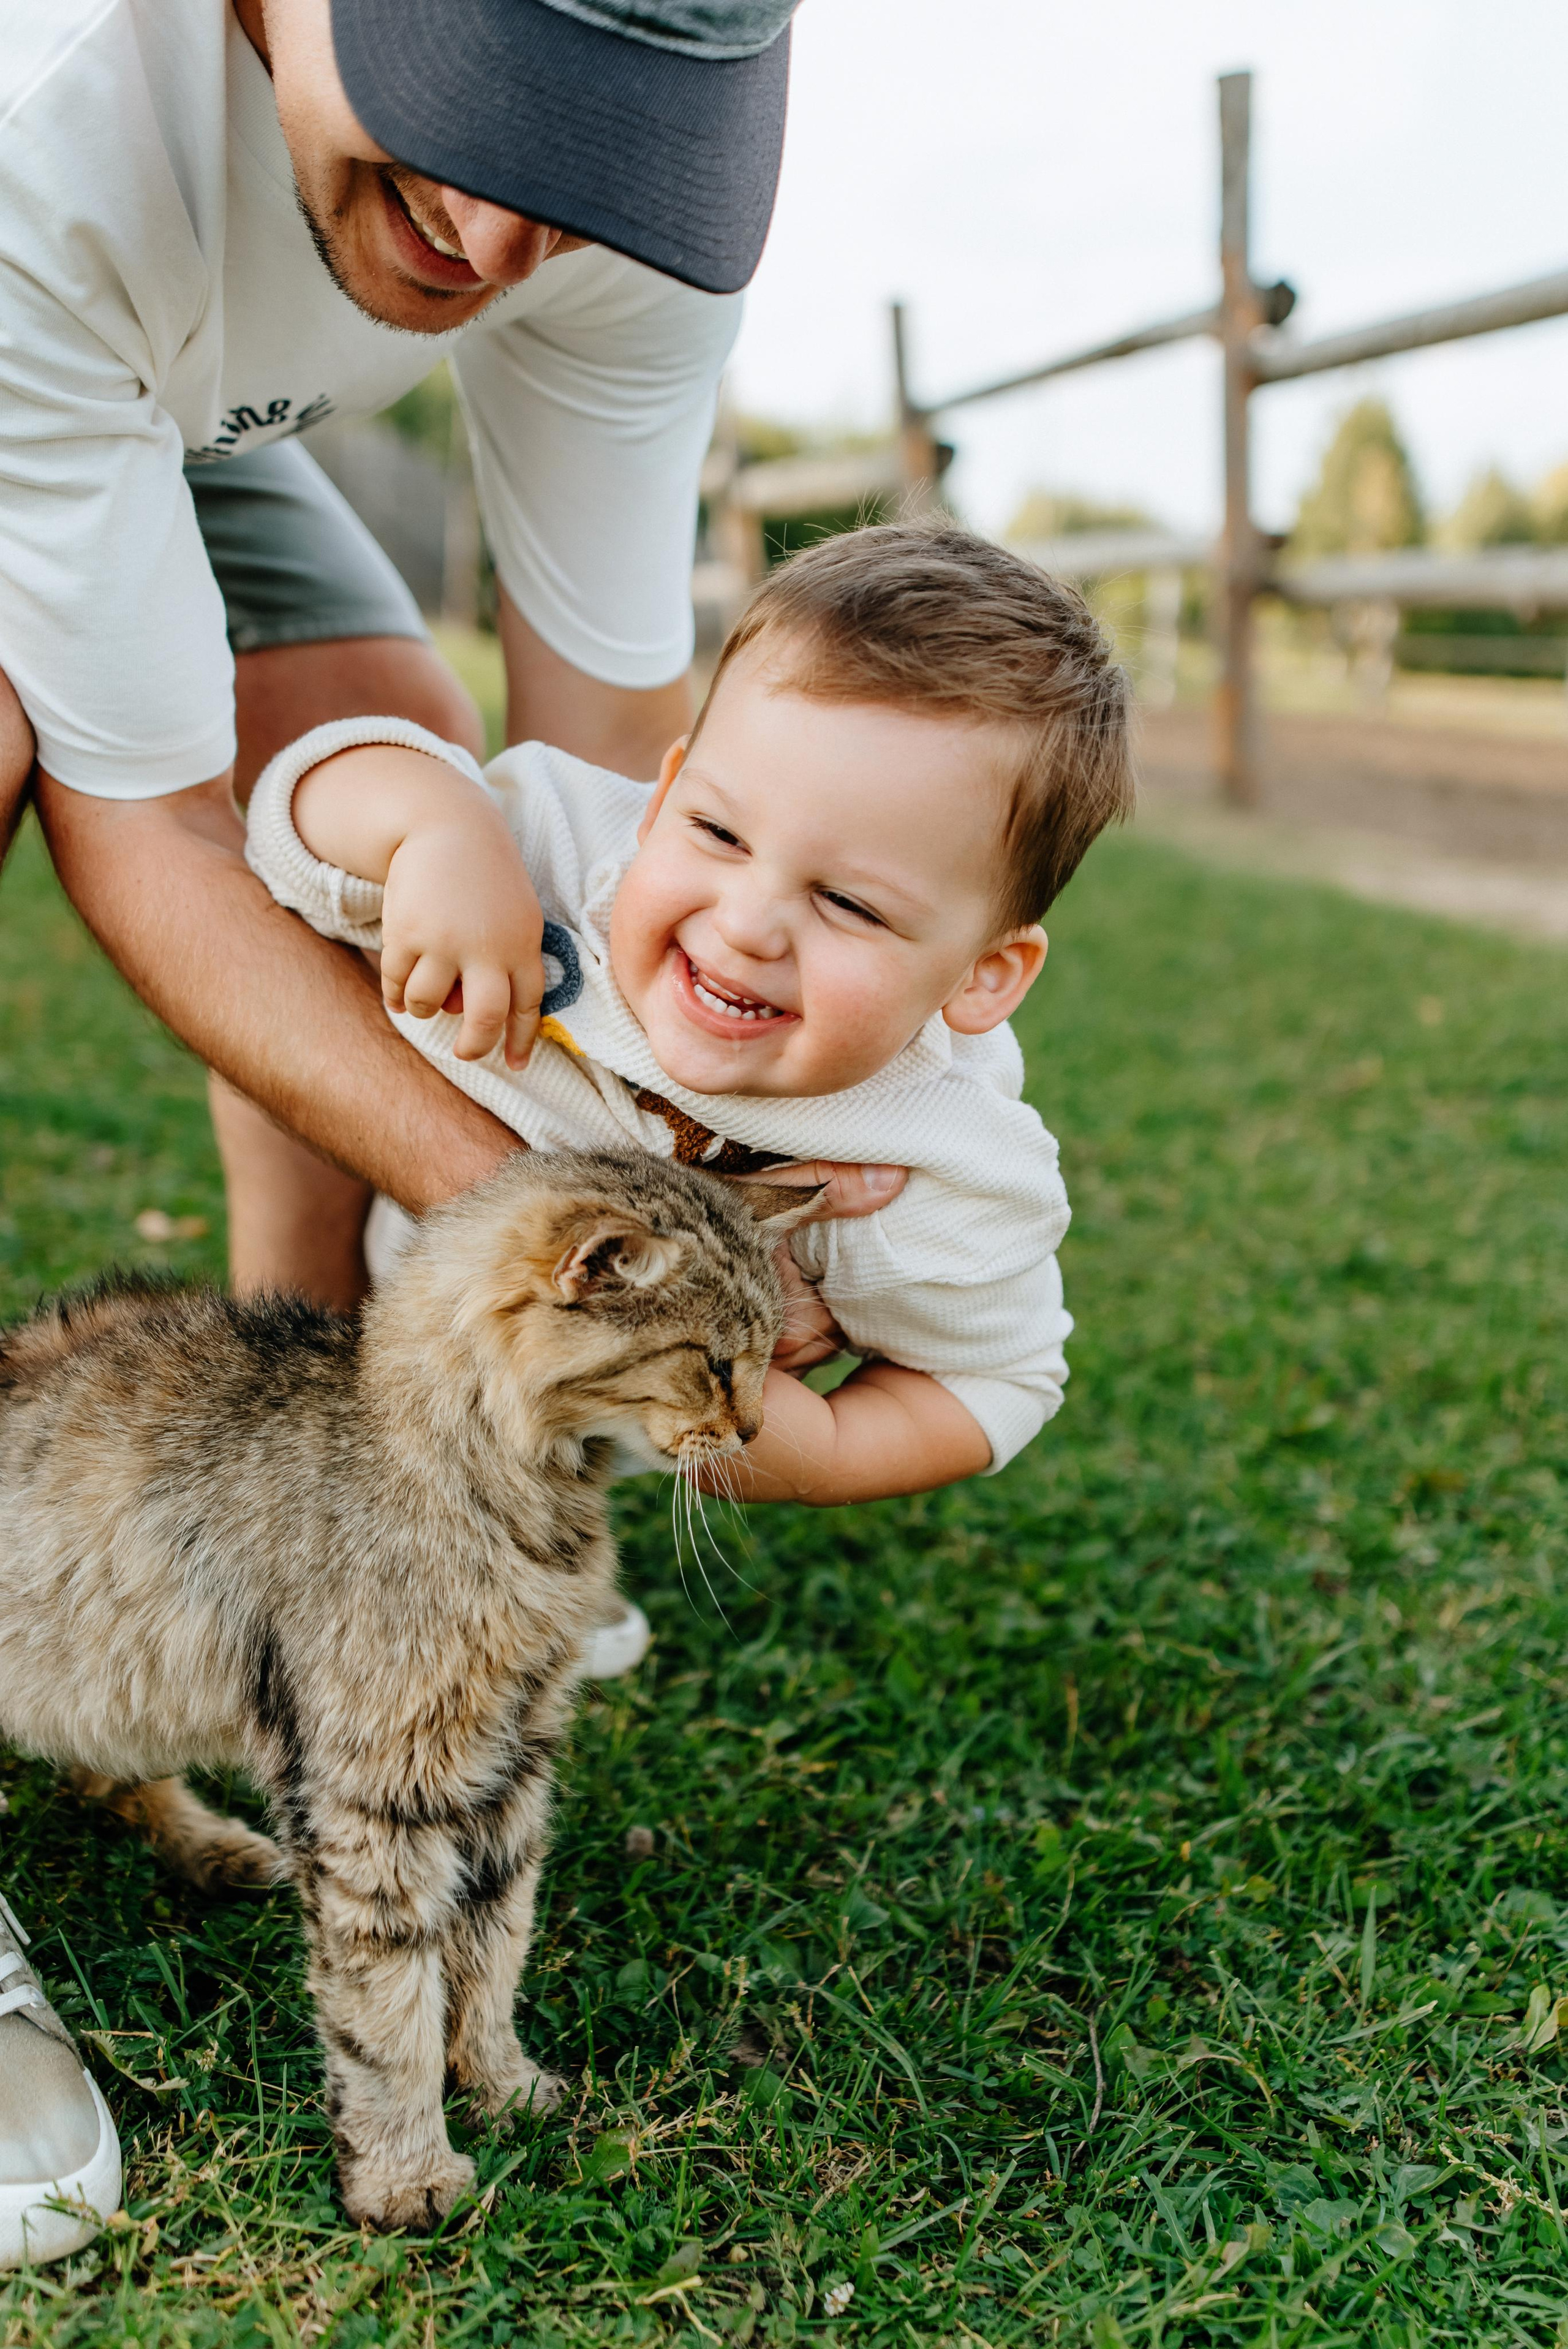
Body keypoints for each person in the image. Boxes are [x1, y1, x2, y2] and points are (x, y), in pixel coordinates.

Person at [2, 0, 882, 2271]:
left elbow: (594, 800)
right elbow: (158, 835)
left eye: (582, 151)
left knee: (404, 750)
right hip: (31, 288)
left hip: (166, 398)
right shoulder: (60, 127)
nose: (500, 222)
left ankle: (312, 1497)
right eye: (469, 114)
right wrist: (516, 1213)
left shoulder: (632, 221)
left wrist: (702, 1144)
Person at [246, 523, 1135, 1504]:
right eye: (715, 830)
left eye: (849, 903)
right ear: (661, 798)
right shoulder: (552, 851)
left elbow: (1005, 1381)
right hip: (390, 1275)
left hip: (568, 1429)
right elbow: (291, 818)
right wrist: (432, 828)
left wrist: (822, 1445)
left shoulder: (940, 1160)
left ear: (983, 976)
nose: (746, 923)